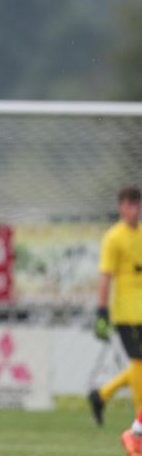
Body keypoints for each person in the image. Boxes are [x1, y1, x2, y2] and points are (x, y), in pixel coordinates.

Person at [87, 186, 142, 437]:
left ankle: (101, 395)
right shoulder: (113, 237)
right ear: (121, 207)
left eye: (138, 205)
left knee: (139, 365)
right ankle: (139, 425)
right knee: (139, 364)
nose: (135, 210)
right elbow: (105, 277)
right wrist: (101, 311)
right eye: (130, 205)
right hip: (127, 313)